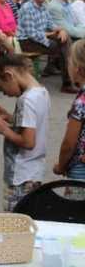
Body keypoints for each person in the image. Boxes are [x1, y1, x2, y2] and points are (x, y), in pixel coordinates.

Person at [0, 50, 50, 211]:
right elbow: (32, 125)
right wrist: (10, 117)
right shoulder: (41, 92)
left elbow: (28, 142)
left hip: (20, 175)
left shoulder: (26, 100)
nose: (4, 93)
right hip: (33, 172)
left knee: (15, 223)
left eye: (1, 87)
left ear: (8, 76)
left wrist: (5, 130)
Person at [17, 0, 75, 93]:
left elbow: (50, 23)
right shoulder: (27, 8)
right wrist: (50, 35)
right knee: (63, 47)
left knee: (65, 39)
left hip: (40, 38)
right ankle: (68, 83)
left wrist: (60, 29)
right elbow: (31, 33)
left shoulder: (43, 5)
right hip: (27, 42)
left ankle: (70, 80)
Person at [54, 40, 85, 183]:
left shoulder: (81, 102)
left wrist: (60, 166)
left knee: (75, 205)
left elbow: (69, 143)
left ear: (77, 69)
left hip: (80, 170)